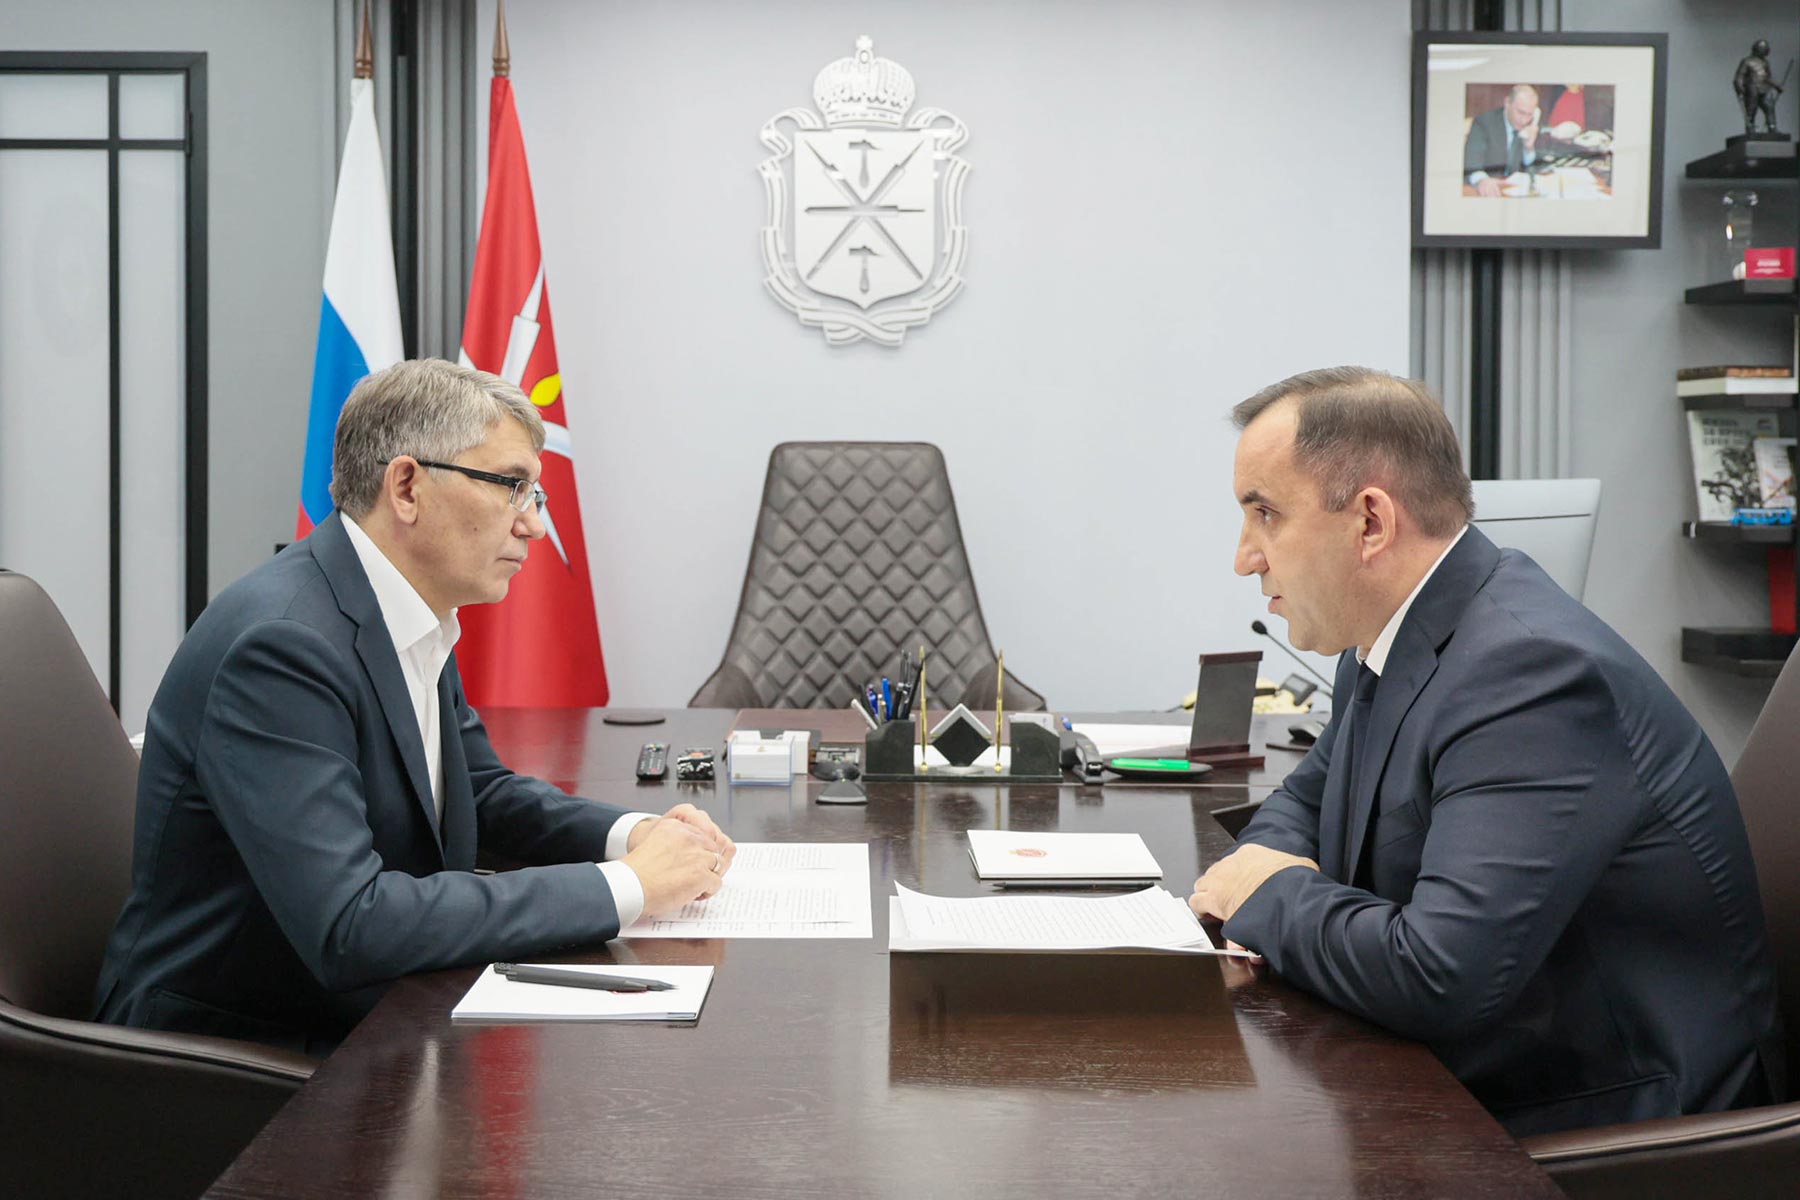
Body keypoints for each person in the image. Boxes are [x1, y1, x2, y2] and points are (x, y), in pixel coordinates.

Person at [1190, 366, 1784, 1137]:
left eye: (1265, 514)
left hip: (1623, 1126)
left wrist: (1267, 895)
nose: (1246, 557)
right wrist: (1261, 867)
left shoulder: (1530, 675)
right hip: (1489, 1065)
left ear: (1370, 522)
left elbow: (1438, 975)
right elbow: (1309, 799)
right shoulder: (1387, 632)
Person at [93, 359, 735, 1055]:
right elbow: (351, 923)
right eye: (512, 486)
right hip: (231, 1054)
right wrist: (626, 887)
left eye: (536, 494)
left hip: (371, 1013)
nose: (534, 525)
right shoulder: (281, 648)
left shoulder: (404, 605)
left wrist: (633, 835)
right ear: (406, 487)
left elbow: (476, 793)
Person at [1464, 84, 1540, 197]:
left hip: (1514, 192)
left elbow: (1533, 167)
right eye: (1521, 112)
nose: (1524, 120)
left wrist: (1528, 148)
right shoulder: (1484, 122)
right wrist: (1482, 180)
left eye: (1529, 114)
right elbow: (1471, 162)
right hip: (1489, 191)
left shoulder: (1531, 125)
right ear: (1507, 103)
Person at [1735, 39, 1784, 136]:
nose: (1766, 51)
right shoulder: (1747, 61)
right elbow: (1739, 76)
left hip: (1764, 88)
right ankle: (1751, 127)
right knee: (1751, 109)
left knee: (1769, 107)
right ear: (1758, 49)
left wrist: (1777, 86)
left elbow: (1767, 77)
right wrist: (1739, 88)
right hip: (1752, 88)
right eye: (1764, 49)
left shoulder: (1765, 62)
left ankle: (1772, 127)